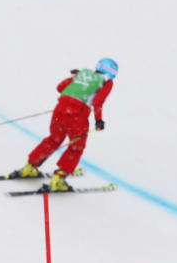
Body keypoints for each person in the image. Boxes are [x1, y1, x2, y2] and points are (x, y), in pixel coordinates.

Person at [13, 59, 117, 192]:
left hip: (60, 111)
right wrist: (99, 120)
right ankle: (59, 179)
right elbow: (98, 102)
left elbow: (60, 87)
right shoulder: (107, 81)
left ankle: (29, 167)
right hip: (77, 116)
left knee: (54, 139)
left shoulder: (82, 74)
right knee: (76, 147)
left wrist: (75, 79)